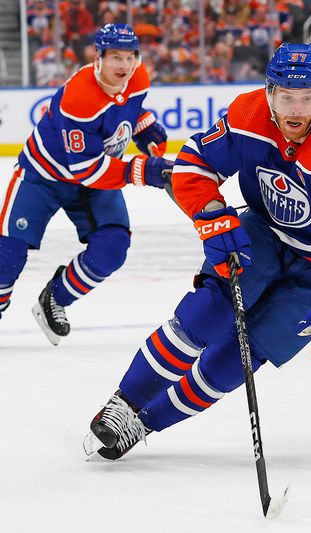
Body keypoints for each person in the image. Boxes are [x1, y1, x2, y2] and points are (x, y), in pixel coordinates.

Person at [84, 43, 311, 460]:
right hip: (263, 232)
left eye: (307, 96)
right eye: (286, 96)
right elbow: (193, 165)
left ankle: (147, 423)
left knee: (243, 355)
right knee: (207, 311)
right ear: (269, 92)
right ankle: (125, 404)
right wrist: (213, 215)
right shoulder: (248, 114)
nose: (296, 109)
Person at [0, 23, 172, 345]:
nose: (123, 66)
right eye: (115, 57)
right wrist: (143, 170)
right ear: (99, 57)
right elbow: (87, 170)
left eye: (129, 57)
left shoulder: (138, 78)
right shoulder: (79, 97)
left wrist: (144, 128)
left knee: (112, 248)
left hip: (95, 175)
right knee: (6, 256)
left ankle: (54, 299)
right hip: (44, 175)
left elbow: (128, 109)